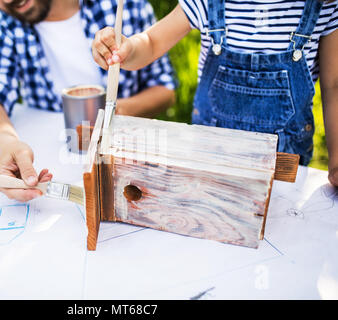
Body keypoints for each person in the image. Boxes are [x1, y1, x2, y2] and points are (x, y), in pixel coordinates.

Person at [92, 0, 338, 187]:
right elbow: (151, 42)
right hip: (209, 162)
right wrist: (128, 48)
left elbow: (334, 85)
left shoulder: (323, 6)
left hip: (282, 170)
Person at [0, 0, 177, 202]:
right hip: (55, 167)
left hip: (125, 163)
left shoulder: (125, 6)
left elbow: (165, 91)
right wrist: (9, 144)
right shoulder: (5, 27)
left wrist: (115, 114)